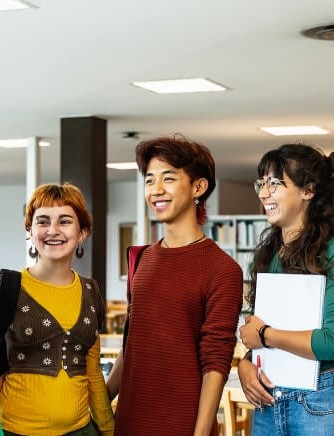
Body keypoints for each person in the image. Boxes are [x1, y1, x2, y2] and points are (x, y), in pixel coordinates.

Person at [107, 135, 243, 436]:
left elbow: (215, 362)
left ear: (198, 187)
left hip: (183, 421)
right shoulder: (140, 259)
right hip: (130, 421)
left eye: (168, 179)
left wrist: (200, 431)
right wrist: (102, 404)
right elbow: (131, 346)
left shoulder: (223, 269)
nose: (156, 190)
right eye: (149, 180)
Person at [239, 143, 334, 435]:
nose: (264, 193)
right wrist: (246, 367)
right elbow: (265, 333)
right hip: (267, 397)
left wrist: (264, 336)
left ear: (308, 190)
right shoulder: (269, 253)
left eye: (275, 184)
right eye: (261, 183)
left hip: (318, 401)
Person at [0, 183, 114, 435]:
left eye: (64, 221)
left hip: (82, 430)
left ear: (82, 232)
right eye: (42, 221)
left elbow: (93, 374)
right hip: (17, 431)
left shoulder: (91, 292)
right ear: (29, 231)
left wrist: (108, 429)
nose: (52, 230)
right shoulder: (6, 288)